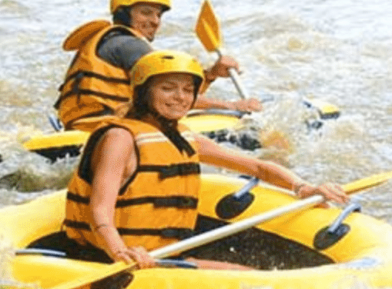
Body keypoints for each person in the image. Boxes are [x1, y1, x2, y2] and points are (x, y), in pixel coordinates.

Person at [61, 50, 350, 269]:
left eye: (188, 90)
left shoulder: (182, 136)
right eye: (167, 88)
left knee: (251, 276)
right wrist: (119, 251)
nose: (180, 98)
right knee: (248, 280)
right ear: (143, 92)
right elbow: (99, 209)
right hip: (108, 259)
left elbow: (258, 167)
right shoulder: (119, 139)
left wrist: (303, 187)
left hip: (163, 256)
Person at [55, 0, 262, 131]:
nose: (154, 21)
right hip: (106, 127)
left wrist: (210, 75)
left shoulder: (107, 39)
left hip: (82, 123)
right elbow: (172, 97)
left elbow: (169, 90)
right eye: (146, 13)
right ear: (124, 14)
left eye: (158, 15)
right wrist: (233, 107)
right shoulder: (129, 45)